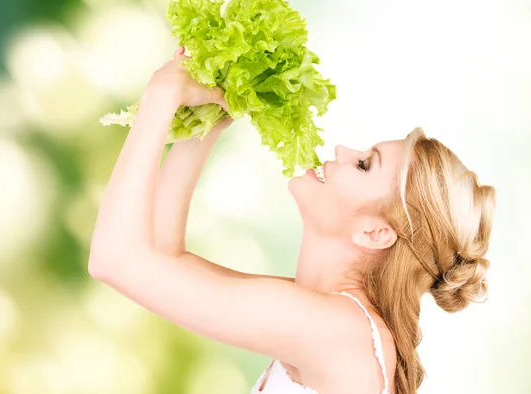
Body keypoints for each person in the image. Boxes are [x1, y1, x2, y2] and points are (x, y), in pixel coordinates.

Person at [88, 46, 496, 394]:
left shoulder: (338, 330)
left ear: (375, 232)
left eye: (364, 164)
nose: (341, 150)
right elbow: (162, 254)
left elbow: (114, 260)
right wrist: (209, 116)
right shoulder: (331, 318)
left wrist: (161, 96)